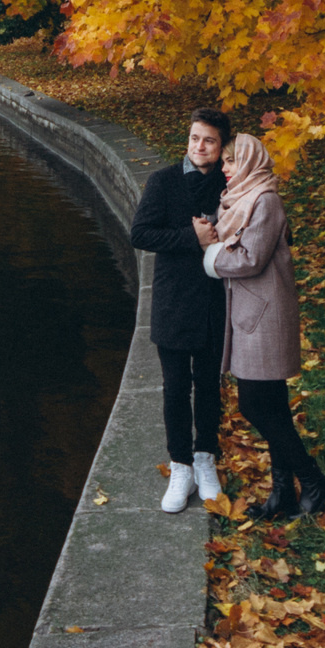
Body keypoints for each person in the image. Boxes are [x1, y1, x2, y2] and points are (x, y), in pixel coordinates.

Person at [199, 134, 325, 520]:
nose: (224, 168)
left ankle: (315, 483)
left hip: (265, 315)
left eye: (230, 161)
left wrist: (209, 254)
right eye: (224, 161)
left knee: (254, 404)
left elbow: (250, 259)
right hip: (251, 313)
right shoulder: (239, 199)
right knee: (274, 405)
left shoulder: (265, 200)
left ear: (248, 161)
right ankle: (285, 494)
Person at [130, 108, 233, 512]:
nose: (199, 147)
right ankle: (181, 464)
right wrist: (189, 236)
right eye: (194, 138)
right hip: (173, 299)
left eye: (208, 140)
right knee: (175, 385)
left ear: (222, 144)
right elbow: (140, 233)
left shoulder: (231, 183)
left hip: (215, 299)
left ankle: (206, 457)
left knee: (209, 382)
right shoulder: (164, 181)